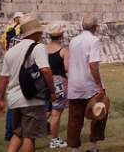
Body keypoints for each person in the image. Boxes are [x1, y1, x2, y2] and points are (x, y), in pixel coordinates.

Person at [0, 15, 56, 152]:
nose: (41, 33)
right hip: (31, 99)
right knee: (29, 137)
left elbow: (4, 78)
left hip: (14, 99)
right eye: (39, 31)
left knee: (18, 134)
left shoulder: (11, 51)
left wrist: (0, 100)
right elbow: (45, 70)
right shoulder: (38, 48)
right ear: (34, 33)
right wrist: (52, 91)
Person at [67, 17, 108, 152]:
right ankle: (92, 145)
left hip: (74, 84)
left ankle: (74, 148)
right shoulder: (94, 40)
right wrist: (98, 85)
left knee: (74, 119)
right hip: (89, 85)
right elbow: (93, 64)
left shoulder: (73, 40)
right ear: (95, 27)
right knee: (100, 113)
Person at [0, 11, 25, 141]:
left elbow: (2, 43)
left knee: (13, 100)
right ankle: (19, 130)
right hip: (22, 69)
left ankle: (10, 131)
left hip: (11, 66)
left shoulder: (10, 31)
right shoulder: (21, 32)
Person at [46, 23, 69, 149]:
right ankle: (54, 139)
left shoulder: (43, 49)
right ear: (61, 35)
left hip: (45, 81)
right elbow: (67, 68)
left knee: (47, 110)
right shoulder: (63, 51)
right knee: (56, 113)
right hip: (59, 82)